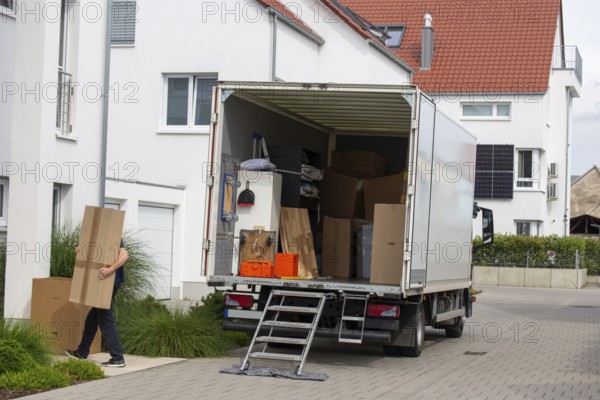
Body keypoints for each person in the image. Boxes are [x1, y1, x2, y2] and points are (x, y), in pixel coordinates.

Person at [66, 241, 129, 367]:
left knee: (105, 319)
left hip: (109, 282)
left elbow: (125, 255)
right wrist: (80, 251)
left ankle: (117, 358)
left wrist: (110, 270)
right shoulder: (99, 238)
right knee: (92, 319)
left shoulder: (113, 235)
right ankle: (81, 352)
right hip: (102, 282)